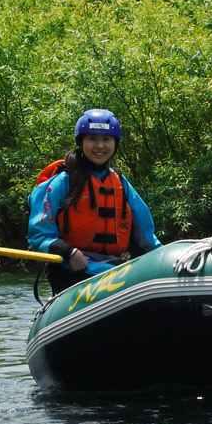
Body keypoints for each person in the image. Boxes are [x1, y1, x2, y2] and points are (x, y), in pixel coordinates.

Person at [27, 108, 161, 294]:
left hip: (111, 268)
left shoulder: (120, 183)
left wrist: (163, 260)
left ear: (115, 143)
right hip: (70, 268)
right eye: (92, 139)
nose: (100, 146)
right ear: (81, 142)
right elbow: (39, 235)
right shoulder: (64, 181)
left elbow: (146, 237)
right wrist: (69, 252)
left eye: (106, 139)